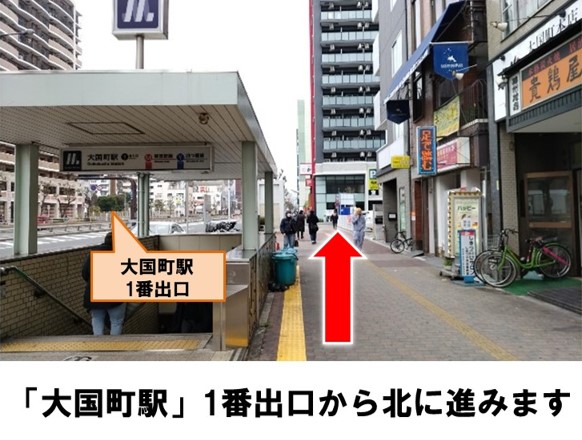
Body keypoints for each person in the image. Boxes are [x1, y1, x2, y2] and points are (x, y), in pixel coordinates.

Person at [82, 232, 127, 336]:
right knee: (116, 322)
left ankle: (98, 343)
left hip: (95, 293)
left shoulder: (93, 253)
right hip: (116, 296)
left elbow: (85, 274)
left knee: (97, 318)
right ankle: (114, 344)